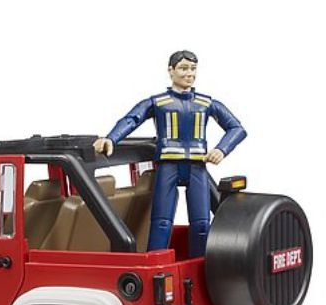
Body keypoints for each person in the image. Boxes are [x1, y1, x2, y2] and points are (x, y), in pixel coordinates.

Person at [94, 50, 246, 257]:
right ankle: (155, 262)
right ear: (171, 70)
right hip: (168, 166)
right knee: (161, 221)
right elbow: (132, 119)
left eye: (193, 69)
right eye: (183, 68)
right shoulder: (158, 102)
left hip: (197, 166)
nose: (189, 73)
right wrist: (111, 138)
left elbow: (236, 128)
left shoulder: (206, 103)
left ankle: (200, 264)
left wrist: (222, 149)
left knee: (202, 223)